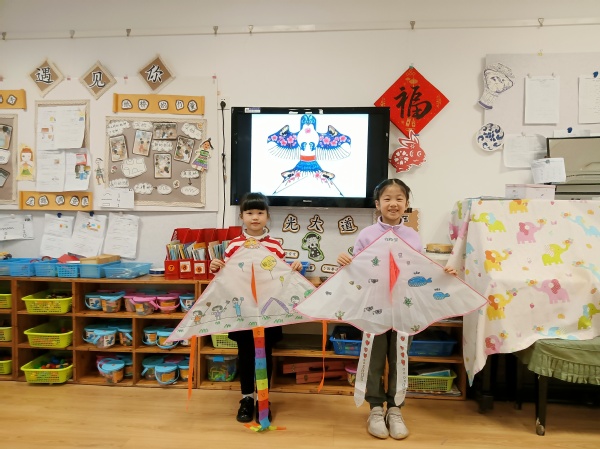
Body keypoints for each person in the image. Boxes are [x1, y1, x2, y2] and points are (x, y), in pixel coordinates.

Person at [337, 178, 456, 440]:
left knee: (400, 358)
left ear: (407, 204)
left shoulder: (412, 236)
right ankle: (375, 408)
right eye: (387, 198)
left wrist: (443, 273)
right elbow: (357, 270)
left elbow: (420, 270)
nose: (393, 203)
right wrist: (346, 262)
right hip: (374, 308)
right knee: (373, 358)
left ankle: (395, 409)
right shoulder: (367, 235)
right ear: (377, 204)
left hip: (404, 308)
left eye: (399, 198)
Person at [209, 192, 303, 423]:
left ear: (267, 216)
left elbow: (280, 276)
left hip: (268, 312)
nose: (255, 217)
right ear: (241, 216)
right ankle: (246, 398)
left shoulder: (275, 246)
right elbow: (227, 278)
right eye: (249, 212)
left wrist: (293, 269)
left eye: (260, 212)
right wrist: (215, 267)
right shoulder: (233, 245)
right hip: (243, 313)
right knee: (245, 354)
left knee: (265, 355)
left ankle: (263, 399)